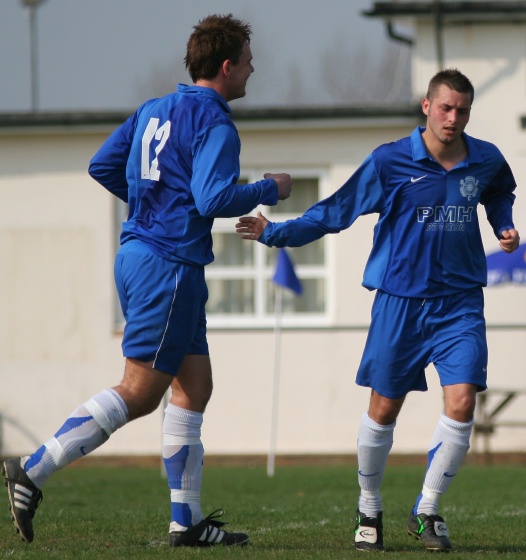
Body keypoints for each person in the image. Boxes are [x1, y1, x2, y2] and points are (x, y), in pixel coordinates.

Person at [2, 13, 292, 548]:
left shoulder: (153, 109)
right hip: (170, 264)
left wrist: (151, 206)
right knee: (139, 392)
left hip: (142, 254)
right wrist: (269, 188)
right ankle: (33, 470)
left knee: (195, 385)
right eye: (249, 61)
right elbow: (212, 200)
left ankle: (187, 522)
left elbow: (102, 166)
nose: (254, 69)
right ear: (226, 67)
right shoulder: (216, 122)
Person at [236, 68, 519, 552]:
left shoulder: (486, 159)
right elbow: (336, 211)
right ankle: (369, 506)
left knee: (463, 401)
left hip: (460, 304)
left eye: (463, 110)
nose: (454, 118)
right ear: (427, 107)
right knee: (384, 408)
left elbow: (500, 192)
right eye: (446, 107)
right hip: (399, 304)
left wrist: (504, 225)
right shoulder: (389, 162)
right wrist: (276, 232)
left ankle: (427, 510)